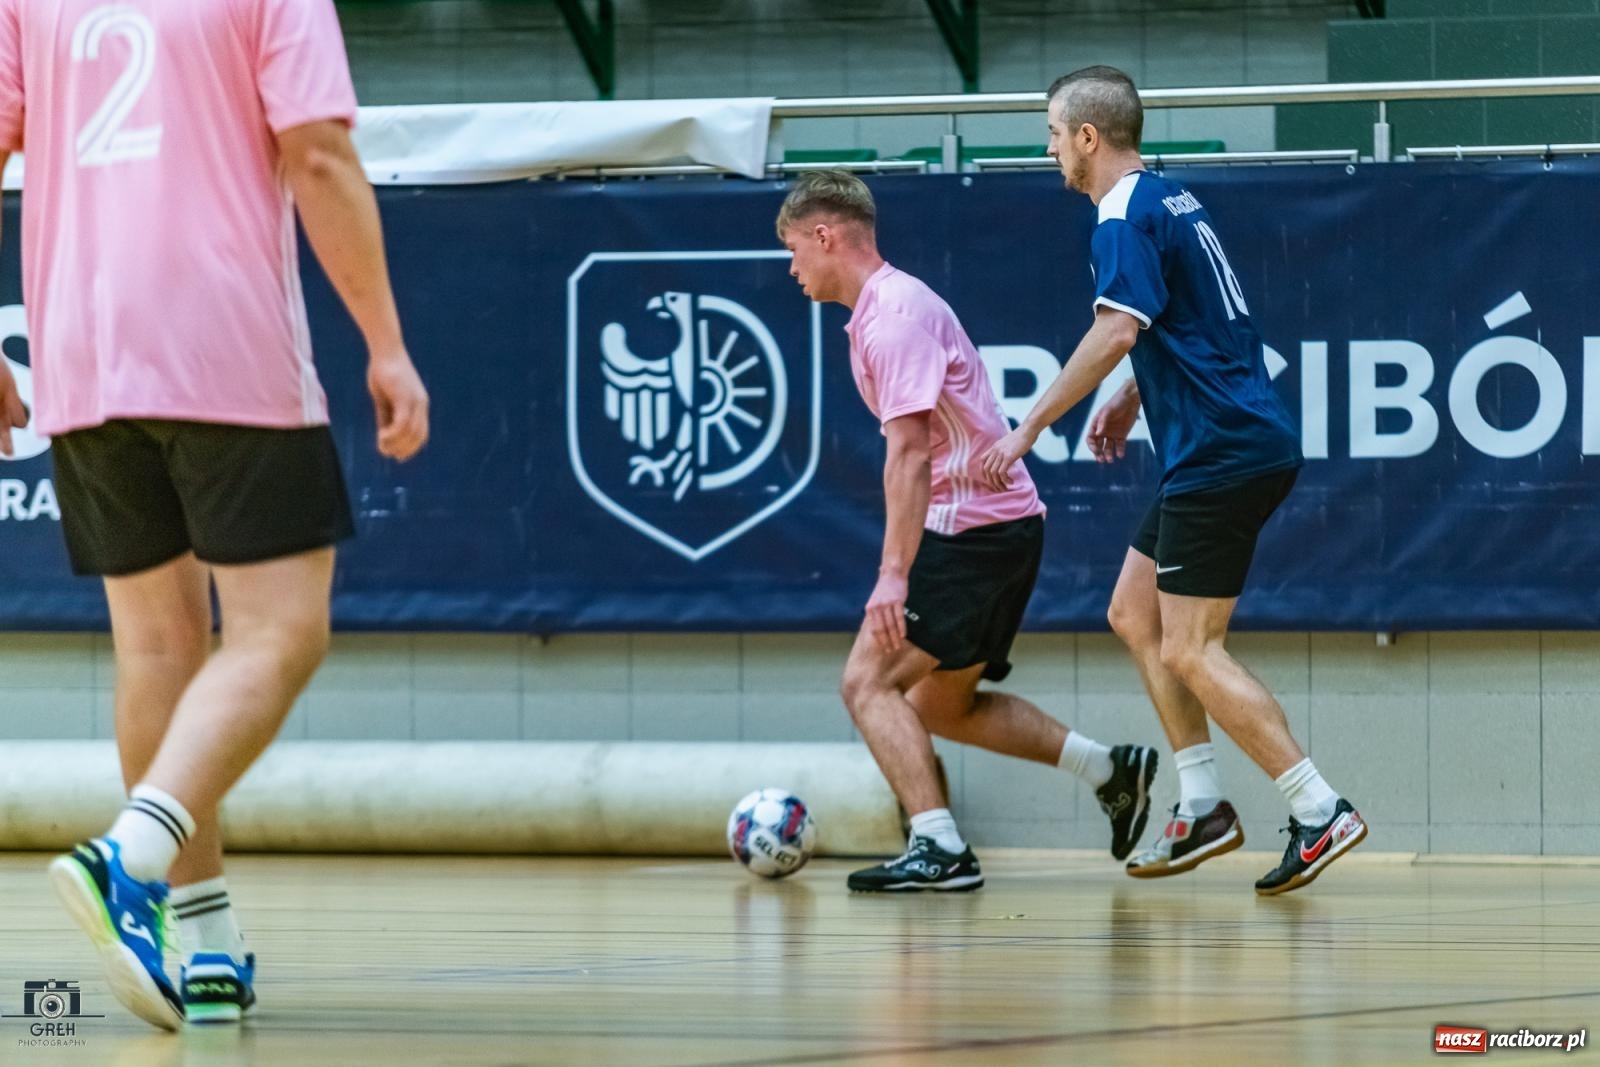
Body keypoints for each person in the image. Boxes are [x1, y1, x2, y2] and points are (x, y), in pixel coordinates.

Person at [0, 0, 429, 1028]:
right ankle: (130, 857)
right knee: (283, 629)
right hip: (222, 341)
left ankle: (200, 940)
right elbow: (318, 156)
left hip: (78, 350)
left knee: (157, 648)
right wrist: (386, 340)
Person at [978, 66, 1365, 896]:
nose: (1048, 150)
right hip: (1219, 442)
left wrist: (1030, 425)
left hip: (1222, 449)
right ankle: (1202, 804)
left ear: (1088, 136)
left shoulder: (1119, 215)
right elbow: (1189, 322)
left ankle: (1317, 804)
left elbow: (1119, 327)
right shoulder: (1166, 197)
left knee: (1191, 645)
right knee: (1133, 611)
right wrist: (1125, 397)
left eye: (1053, 134)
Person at [776, 169, 1158, 893]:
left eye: (795, 250)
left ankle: (939, 844)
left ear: (825, 236)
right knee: (939, 703)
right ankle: (1108, 769)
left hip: (972, 534)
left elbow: (911, 453)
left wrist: (893, 574)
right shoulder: (885, 311)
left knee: (866, 682)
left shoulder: (893, 316)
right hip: (1000, 529)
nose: (793, 269)